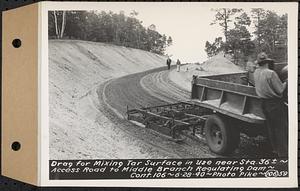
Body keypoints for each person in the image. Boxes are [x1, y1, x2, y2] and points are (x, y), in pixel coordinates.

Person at [253, 52, 288, 157]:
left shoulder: (256, 72)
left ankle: (275, 150)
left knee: (271, 127)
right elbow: (280, 90)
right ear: (267, 62)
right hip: (274, 104)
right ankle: (284, 153)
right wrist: (286, 81)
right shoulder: (271, 73)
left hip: (263, 104)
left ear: (259, 63)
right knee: (280, 128)